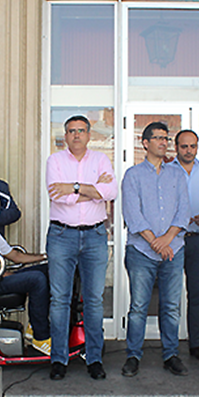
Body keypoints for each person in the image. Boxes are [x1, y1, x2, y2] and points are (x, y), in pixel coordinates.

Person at [46, 115, 117, 381]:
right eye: (71, 131)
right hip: (62, 235)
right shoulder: (54, 161)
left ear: (89, 135)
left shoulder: (100, 160)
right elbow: (57, 196)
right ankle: (59, 359)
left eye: (81, 130)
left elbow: (110, 192)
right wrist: (92, 189)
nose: (76, 135)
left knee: (94, 301)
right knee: (60, 300)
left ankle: (94, 358)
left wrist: (74, 187)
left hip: (95, 235)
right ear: (65, 136)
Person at [121, 122, 190, 377]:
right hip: (141, 251)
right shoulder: (133, 175)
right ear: (145, 143)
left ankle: (171, 355)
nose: (163, 142)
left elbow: (184, 211)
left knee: (171, 306)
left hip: (174, 249)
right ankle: (133, 356)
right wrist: (155, 243)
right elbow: (132, 214)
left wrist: (167, 239)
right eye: (158, 138)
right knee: (139, 306)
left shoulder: (178, 175)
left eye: (166, 138)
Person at [0, 193, 50, 354]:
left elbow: (16, 256)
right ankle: (41, 337)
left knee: (49, 269)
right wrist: (10, 276)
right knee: (36, 279)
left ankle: (36, 325)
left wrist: (46, 257)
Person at [172, 129, 199, 362]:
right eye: (184, 146)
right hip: (172, 240)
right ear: (176, 147)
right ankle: (168, 344)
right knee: (169, 295)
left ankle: (196, 343)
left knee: (197, 294)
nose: (188, 151)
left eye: (193, 146)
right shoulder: (167, 171)